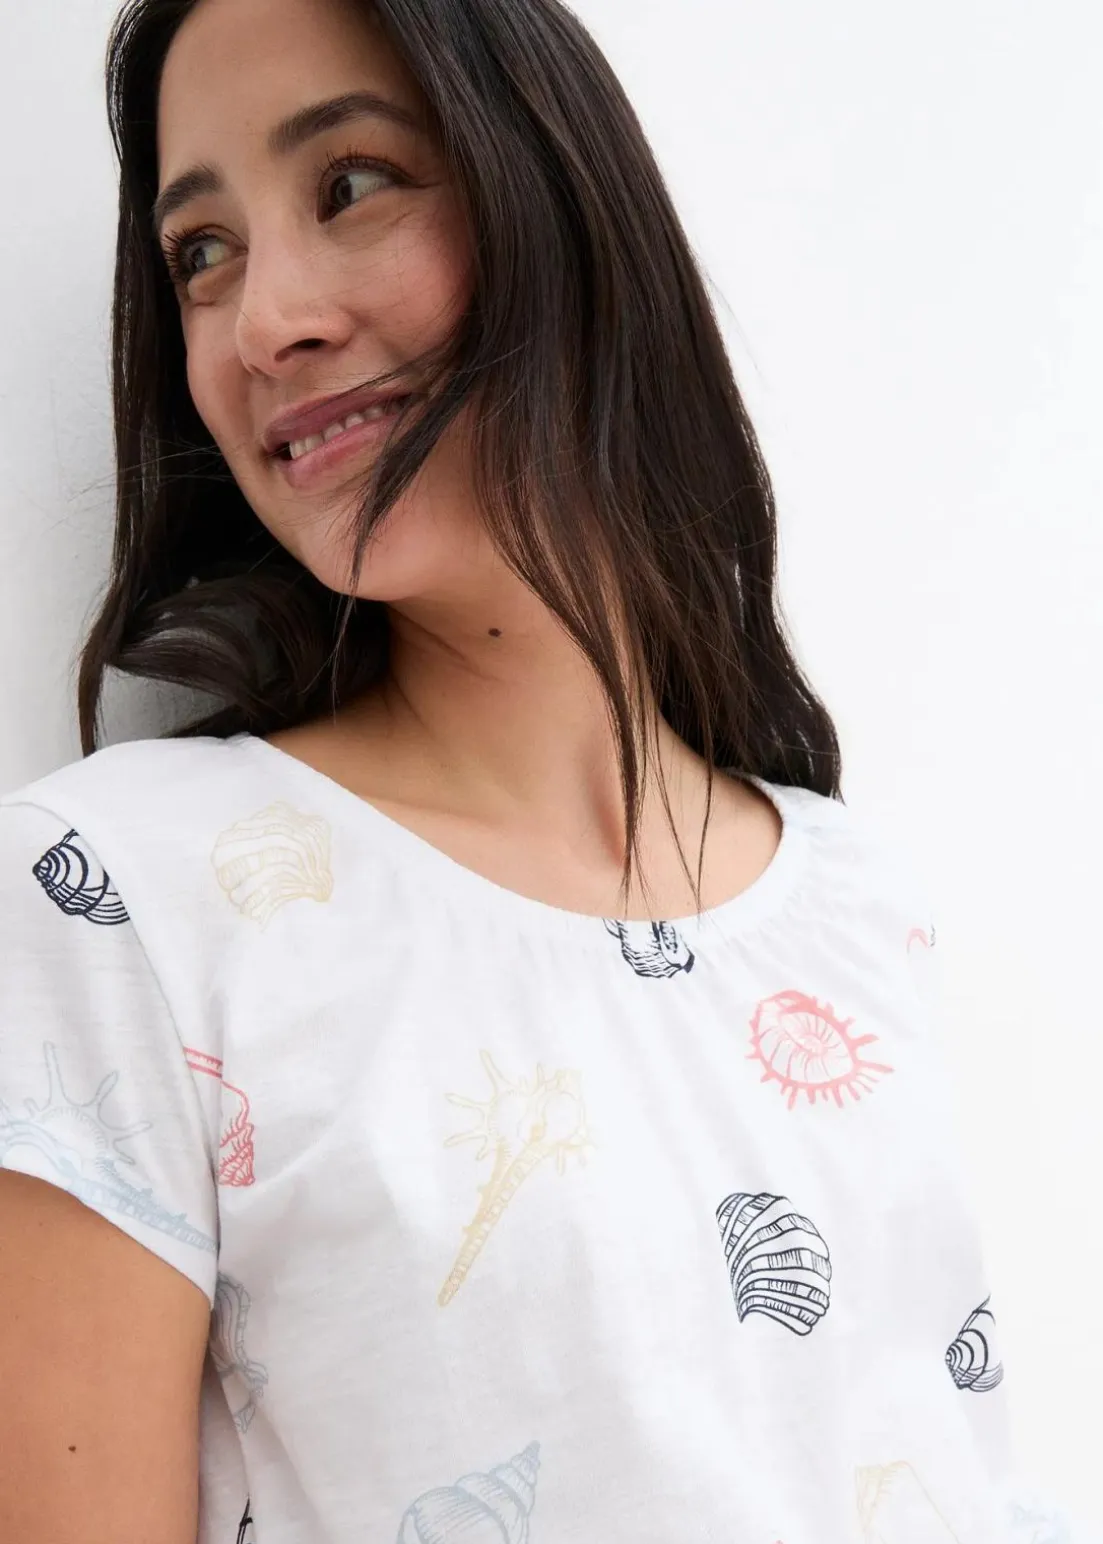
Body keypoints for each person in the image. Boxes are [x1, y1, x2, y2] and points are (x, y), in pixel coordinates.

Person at [0, 0, 1088, 1540]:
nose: (262, 322)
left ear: (557, 197)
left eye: (351, 184)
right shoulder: (115, 902)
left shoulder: (849, 902)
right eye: (203, 253)